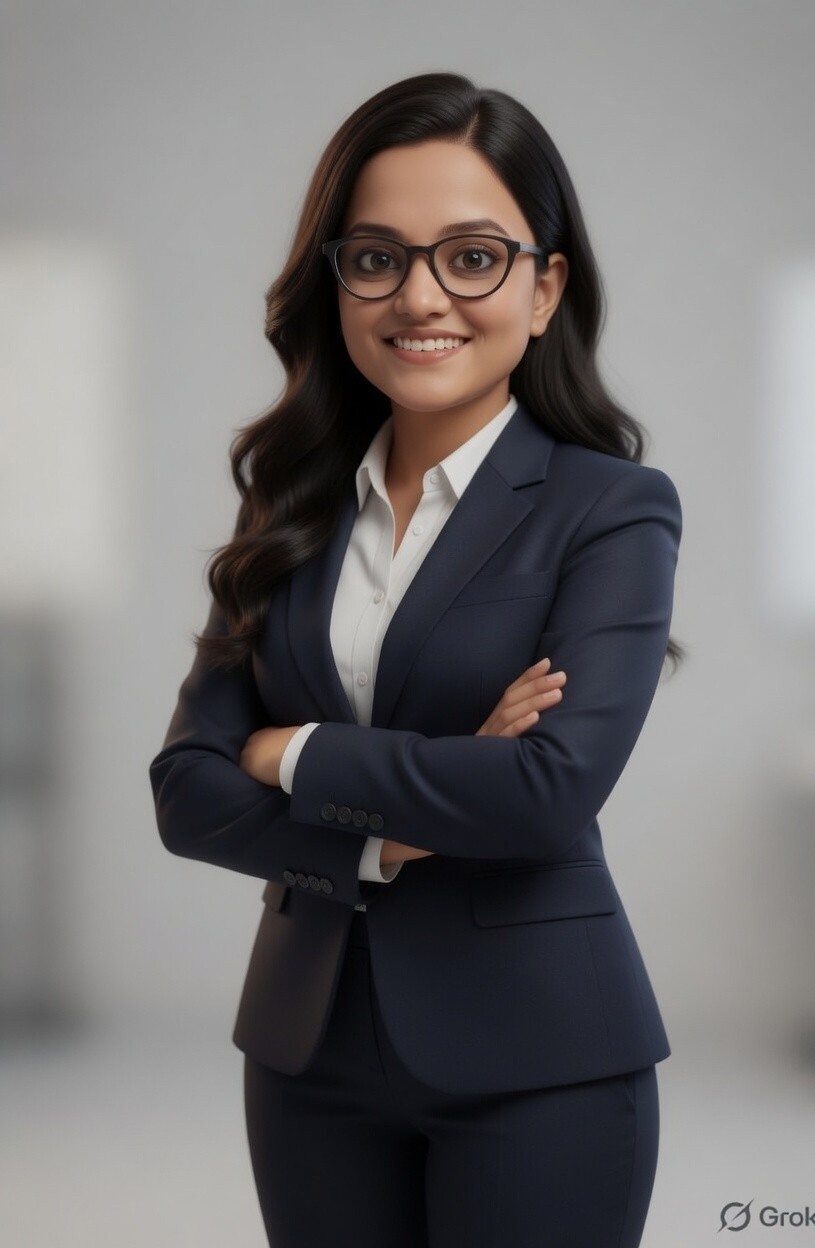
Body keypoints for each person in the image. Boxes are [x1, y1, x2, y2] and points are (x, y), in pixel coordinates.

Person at [148, 70, 685, 1248]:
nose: (421, 295)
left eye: (473, 256)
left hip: (539, 1058)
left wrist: (294, 752)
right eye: (379, 256)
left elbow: (546, 793)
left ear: (543, 287)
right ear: (337, 283)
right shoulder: (287, 511)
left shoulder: (611, 510)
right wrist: (395, 832)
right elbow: (185, 794)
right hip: (306, 1055)